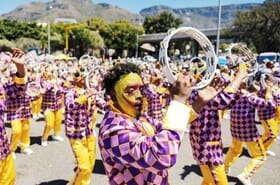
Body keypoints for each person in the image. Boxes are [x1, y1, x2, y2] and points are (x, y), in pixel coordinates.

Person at [98, 62, 217, 185]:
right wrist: (178, 101)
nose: (139, 96)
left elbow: (168, 128)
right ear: (113, 95)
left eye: (141, 89)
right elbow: (162, 156)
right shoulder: (112, 131)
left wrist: (198, 103)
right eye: (131, 90)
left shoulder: (138, 117)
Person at [188, 65, 248, 185]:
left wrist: (239, 88)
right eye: (210, 74)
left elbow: (228, 104)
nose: (215, 77)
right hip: (206, 149)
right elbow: (224, 100)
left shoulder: (202, 90)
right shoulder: (196, 92)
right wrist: (239, 77)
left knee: (208, 182)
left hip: (210, 145)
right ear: (200, 76)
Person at [224, 72, 276, 185]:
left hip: (235, 130)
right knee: (260, 156)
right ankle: (245, 176)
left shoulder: (235, 93)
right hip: (249, 133)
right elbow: (271, 104)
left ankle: (224, 168)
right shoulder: (250, 97)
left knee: (234, 150)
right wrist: (268, 91)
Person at [64, 70, 99, 185]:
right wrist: (85, 96)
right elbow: (70, 106)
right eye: (87, 78)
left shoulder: (89, 92)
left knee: (90, 164)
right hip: (76, 134)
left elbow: (102, 103)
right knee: (84, 167)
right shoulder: (70, 92)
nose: (90, 81)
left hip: (89, 133)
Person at [0, 48, 26, 184]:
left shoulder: (1, 87)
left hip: (3, 149)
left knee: (9, 180)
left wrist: (20, 67)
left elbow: (19, 89)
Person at [4, 49, 33, 155]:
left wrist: (21, 67)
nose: (14, 76)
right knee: (16, 131)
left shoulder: (24, 83)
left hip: (25, 110)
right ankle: (12, 149)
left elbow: (23, 86)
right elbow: (17, 89)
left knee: (25, 129)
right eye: (13, 75)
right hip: (14, 111)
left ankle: (25, 146)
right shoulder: (7, 85)